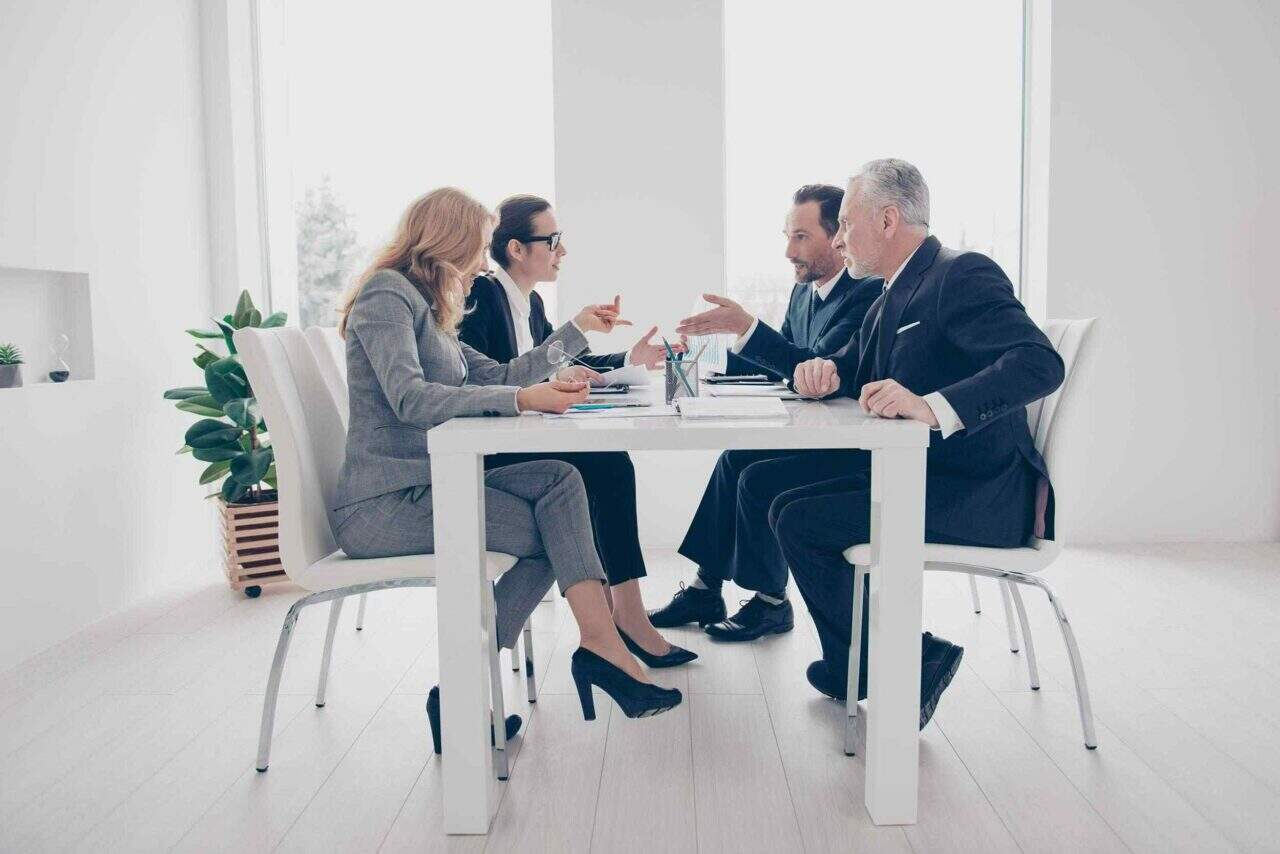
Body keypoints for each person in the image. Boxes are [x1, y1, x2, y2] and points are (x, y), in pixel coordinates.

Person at [331, 188, 682, 748]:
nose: (482, 261)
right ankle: (582, 653)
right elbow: (410, 399)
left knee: (561, 483)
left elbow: (502, 373)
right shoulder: (386, 295)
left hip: (430, 485)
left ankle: (589, 649)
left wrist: (566, 345)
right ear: (448, 242)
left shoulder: (430, 308)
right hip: (384, 505)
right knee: (557, 530)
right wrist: (522, 400)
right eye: (477, 247)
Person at [779, 159, 1064, 728]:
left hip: (980, 497)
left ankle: (902, 659)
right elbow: (853, 366)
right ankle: (862, 662)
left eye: (846, 224)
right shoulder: (891, 292)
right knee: (777, 492)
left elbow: (1039, 363)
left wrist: (933, 406)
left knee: (799, 520)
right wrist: (824, 372)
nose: (839, 239)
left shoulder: (960, 274)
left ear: (888, 220)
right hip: (931, 479)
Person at [457, 195, 694, 669]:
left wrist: (629, 359)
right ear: (517, 249)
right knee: (608, 466)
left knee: (609, 463)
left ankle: (620, 616)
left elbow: (559, 362)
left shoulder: (529, 302)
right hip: (491, 449)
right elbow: (494, 379)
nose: (562, 251)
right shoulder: (481, 297)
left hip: (524, 438)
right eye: (553, 240)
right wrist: (573, 334)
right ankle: (625, 618)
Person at [647, 184, 881, 642]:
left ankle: (772, 602)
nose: (789, 250)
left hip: (847, 444)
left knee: (753, 473)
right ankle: (706, 589)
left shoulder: (867, 294)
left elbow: (816, 371)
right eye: (787, 236)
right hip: (814, 430)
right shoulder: (805, 292)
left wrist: (748, 327)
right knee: (735, 458)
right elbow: (782, 364)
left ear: (838, 237)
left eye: (801, 237)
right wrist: (711, 354)